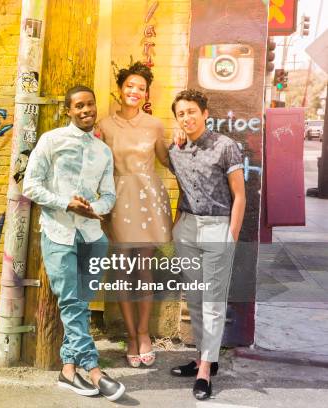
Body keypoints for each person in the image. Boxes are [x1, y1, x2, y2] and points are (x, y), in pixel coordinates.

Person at [23, 85, 126, 401]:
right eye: (79, 106)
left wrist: (96, 209)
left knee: (79, 305)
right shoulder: (51, 141)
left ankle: (68, 371)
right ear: (68, 110)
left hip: (93, 238)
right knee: (71, 302)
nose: (86, 111)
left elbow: (109, 194)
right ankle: (94, 371)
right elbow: (30, 186)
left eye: (90, 105)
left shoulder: (103, 151)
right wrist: (67, 203)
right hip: (59, 234)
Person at [167, 89, 246, 400]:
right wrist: (175, 226)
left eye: (191, 112)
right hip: (186, 228)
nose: (187, 118)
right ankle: (204, 358)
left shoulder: (226, 146)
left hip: (217, 229)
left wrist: (231, 236)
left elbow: (240, 195)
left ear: (204, 113)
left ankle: (204, 372)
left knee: (213, 302)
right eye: (181, 114)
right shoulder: (175, 150)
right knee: (196, 301)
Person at [97, 61, 173, 368]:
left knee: (145, 271)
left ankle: (143, 333)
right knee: (121, 272)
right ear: (120, 89)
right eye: (130, 86)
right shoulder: (105, 125)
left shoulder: (154, 125)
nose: (135, 92)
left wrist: (188, 146)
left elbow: (166, 160)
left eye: (141, 88)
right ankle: (130, 336)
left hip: (150, 201)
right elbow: (98, 168)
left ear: (146, 94)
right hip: (118, 201)